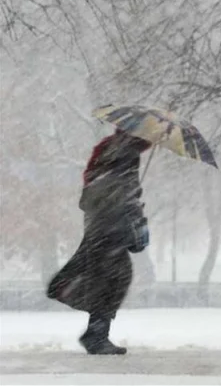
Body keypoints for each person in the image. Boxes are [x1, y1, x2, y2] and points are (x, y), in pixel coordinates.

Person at [47, 129, 152, 355]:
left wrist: (131, 200)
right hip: (110, 227)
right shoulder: (127, 153)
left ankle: (95, 333)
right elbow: (121, 191)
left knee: (108, 279)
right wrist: (134, 209)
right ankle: (95, 335)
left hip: (100, 225)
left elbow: (99, 189)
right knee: (113, 280)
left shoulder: (110, 149)